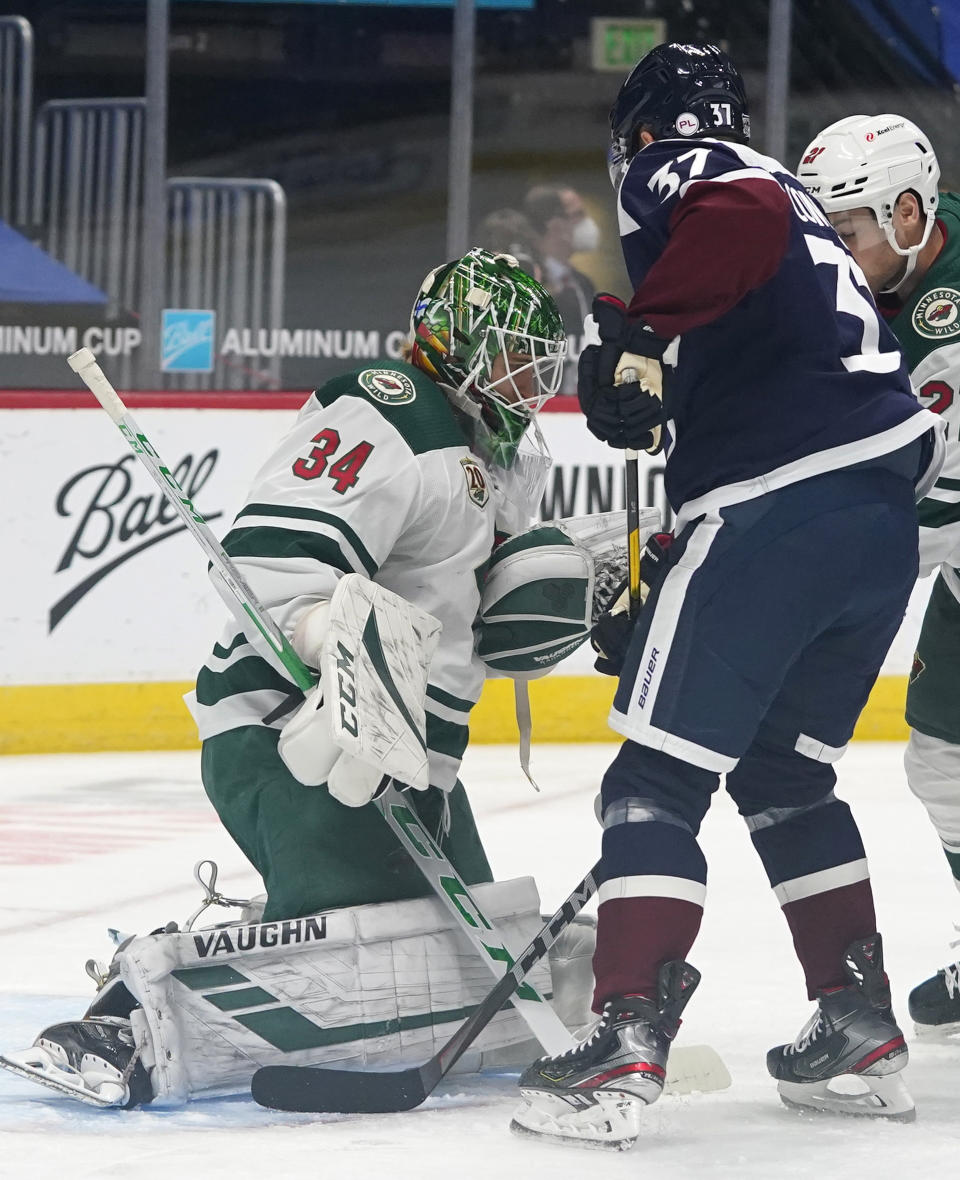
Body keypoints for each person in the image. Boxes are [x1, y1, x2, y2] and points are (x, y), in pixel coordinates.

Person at [1, 248, 602, 1110]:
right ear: (454, 340)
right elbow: (276, 557)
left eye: (537, 360)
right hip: (299, 731)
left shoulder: (494, 461)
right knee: (342, 948)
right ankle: (118, 1021)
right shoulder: (391, 411)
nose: (528, 377)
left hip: (415, 761)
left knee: (462, 952)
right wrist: (338, 651)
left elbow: (485, 610)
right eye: (509, 352)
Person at [511, 43, 944, 1148]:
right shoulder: (802, 218)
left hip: (781, 505)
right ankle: (858, 1024)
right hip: (876, 519)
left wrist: (642, 327)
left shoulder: (699, 165)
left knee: (652, 780)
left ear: (641, 134)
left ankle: (622, 1042)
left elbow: (735, 216)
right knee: (783, 774)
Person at [798, 115, 960, 1039]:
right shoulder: (901, 266)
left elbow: (923, 502)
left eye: (851, 232)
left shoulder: (950, 323)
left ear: (908, 211)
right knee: (945, 760)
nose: (841, 257)